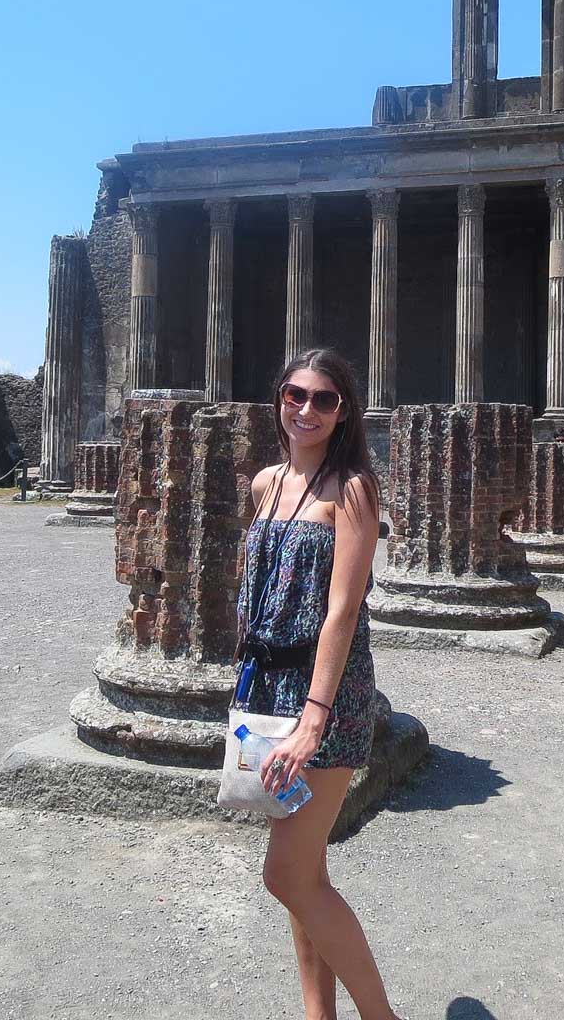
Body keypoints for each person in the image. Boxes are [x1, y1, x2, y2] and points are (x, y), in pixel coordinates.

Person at [235, 347, 404, 1020]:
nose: (307, 409)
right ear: (279, 399)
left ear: (344, 412)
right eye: (296, 395)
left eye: (325, 399)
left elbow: (342, 609)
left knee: (283, 874)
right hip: (265, 691)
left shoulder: (354, 489)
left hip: (325, 698)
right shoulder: (265, 484)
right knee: (305, 876)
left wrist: (313, 717)